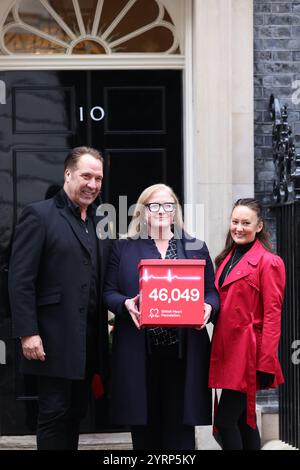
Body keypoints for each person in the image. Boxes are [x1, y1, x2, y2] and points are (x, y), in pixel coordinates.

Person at [8, 146, 111, 450]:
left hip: (88, 342)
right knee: (53, 415)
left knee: (76, 414)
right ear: (68, 174)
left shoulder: (98, 221)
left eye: (99, 178)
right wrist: (28, 332)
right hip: (51, 340)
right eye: (86, 176)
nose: (93, 184)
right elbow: (20, 278)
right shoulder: (38, 215)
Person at [103, 183, 219, 450]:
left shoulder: (195, 247)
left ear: (175, 210)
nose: (162, 211)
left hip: (182, 355)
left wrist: (208, 308)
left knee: (180, 435)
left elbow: (212, 293)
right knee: (144, 433)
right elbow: (108, 292)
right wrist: (126, 304)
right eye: (154, 205)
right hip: (139, 352)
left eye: (169, 205)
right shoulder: (123, 248)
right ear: (143, 211)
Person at [209, 198, 286, 450]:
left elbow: (274, 314)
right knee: (243, 421)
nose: (238, 228)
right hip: (228, 351)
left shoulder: (269, 262)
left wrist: (266, 361)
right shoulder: (225, 258)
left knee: (225, 420)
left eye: (245, 223)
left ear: (259, 226)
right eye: (235, 222)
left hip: (249, 355)